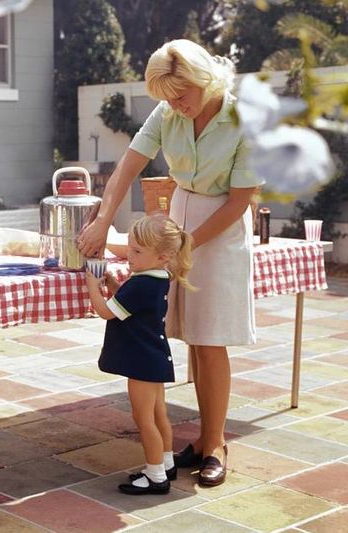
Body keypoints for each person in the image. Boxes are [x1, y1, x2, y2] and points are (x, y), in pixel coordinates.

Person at [78, 39, 265, 487]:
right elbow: (128, 167)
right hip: (178, 216)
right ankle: (200, 442)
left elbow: (240, 200)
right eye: (166, 98)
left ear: (206, 80)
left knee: (210, 336)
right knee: (185, 331)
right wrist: (105, 221)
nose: (175, 107)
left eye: (181, 96)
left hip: (220, 225)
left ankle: (214, 442)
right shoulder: (166, 113)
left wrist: (188, 244)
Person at [86, 214, 194, 495]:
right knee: (159, 415)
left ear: (163, 256)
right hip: (154, 357)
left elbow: (107, 311)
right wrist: (112, 285)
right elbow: (128, 304)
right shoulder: (157, 278)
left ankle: (156, 476)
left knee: (143, 418)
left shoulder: (141, 284)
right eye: (130, 248)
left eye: (136, 251)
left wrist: (91, 286)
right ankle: (166, 463)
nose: (129, 256)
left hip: (142, 363)